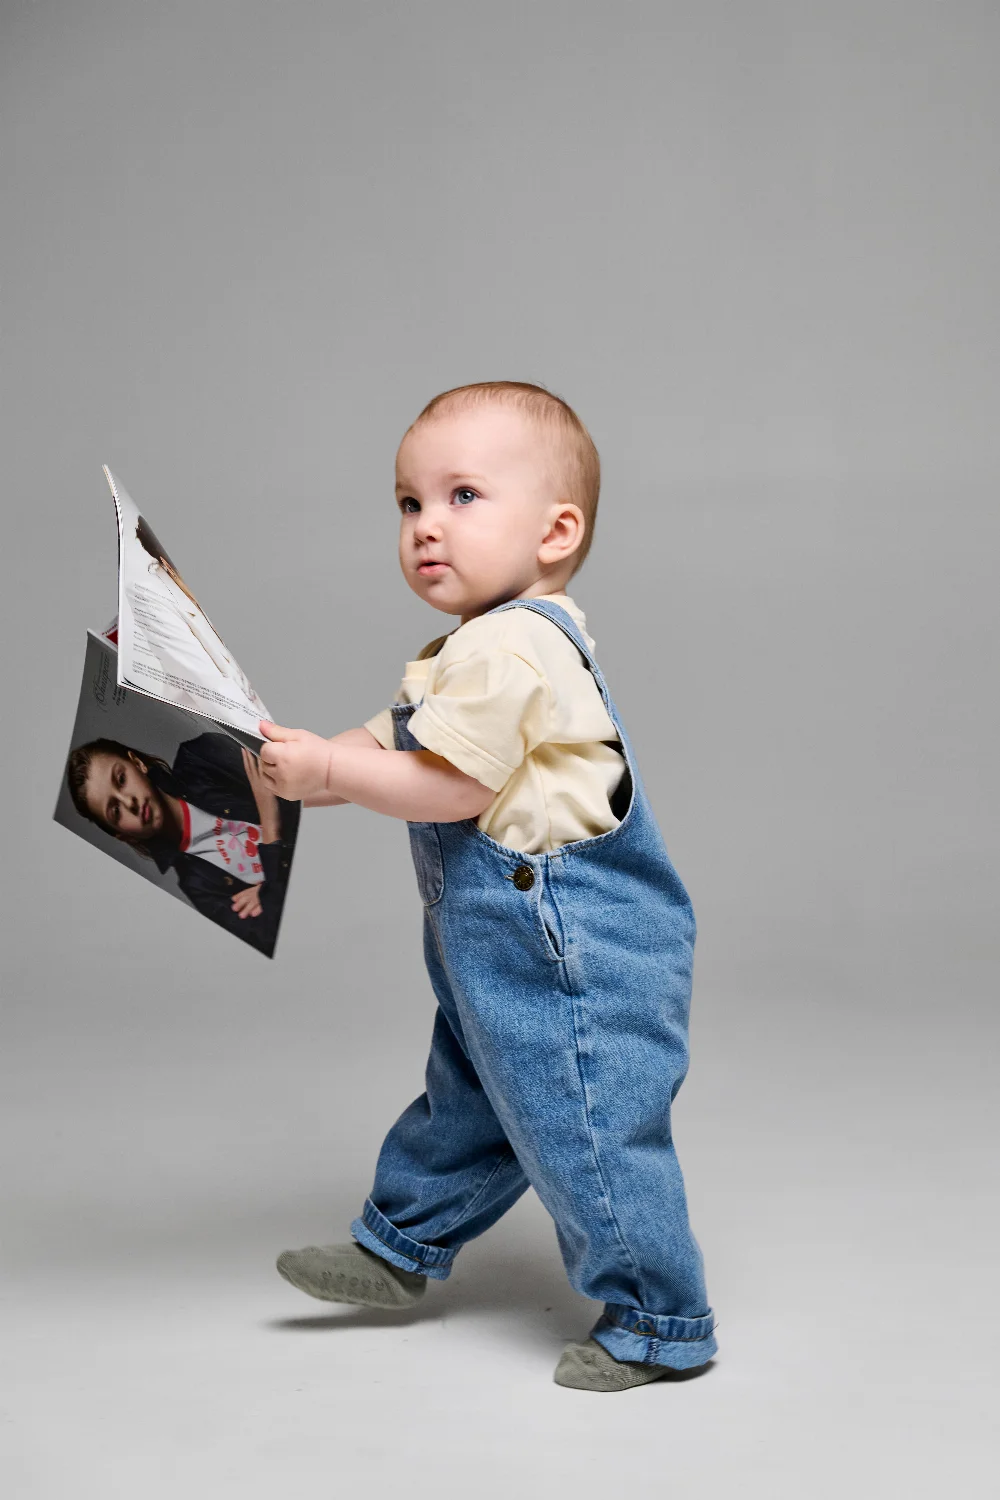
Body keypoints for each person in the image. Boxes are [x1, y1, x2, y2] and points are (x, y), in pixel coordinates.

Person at [259, 381, 717, 1390]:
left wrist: (330, 773)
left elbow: (450, 785)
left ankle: (659, 1316)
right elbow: (385, 747)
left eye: (462, 496)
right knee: (468, 1102)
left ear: (556, 531)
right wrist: (302, 769)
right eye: (409, 502)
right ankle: (401, 1245)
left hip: (575, 948)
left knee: (586, 1127)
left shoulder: (514, 646)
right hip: (503, 945)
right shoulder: (467, 647)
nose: (426, 525)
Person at [65, 730, 298, 957]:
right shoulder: (198, 886)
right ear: (123, 835)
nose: (129, 802)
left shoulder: (203, 756)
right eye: (115, 811)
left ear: (137, 763)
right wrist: (270, 824)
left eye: (121, 779)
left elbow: (301, 784)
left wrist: (271, 888)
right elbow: (273, 938)